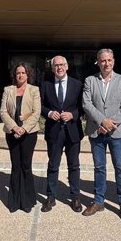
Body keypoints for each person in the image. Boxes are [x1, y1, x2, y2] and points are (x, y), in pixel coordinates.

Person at [82, 48, 121, 223]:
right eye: (103, 60)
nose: (106, 63)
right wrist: (102, 121)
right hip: (96, 131)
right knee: (99, 168)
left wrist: (110, 124)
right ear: (98, 62)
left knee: (120, 168)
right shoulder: (90, 80)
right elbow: (87, 104)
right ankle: (98, 201)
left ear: (113, 61)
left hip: (117, 133)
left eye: (109, 60)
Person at [40, 55, 84, 213]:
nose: (59, 67)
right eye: (56, 65)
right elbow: (41, 106)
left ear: (67, 66)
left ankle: (75, 197)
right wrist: (50, 112)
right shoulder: (46, 85)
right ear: (52, 68)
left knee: (74, 166)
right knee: (53, 165)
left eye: (61, 65)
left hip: (72, 131)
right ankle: (50, 196)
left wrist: (73, 114)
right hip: (54, 131)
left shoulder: (77, 84)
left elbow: (83, 107)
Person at [0, 62, 41, 213]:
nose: (21, 75)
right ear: (14, 75)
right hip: (12, 133)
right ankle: (14, 201)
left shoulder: (34, 90)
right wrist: (14, 127)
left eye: (23, 73)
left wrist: (23, 128)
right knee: (15, 166)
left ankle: (27, 200)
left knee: (26, 166)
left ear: (28, 74)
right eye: (18, 73)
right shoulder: (8, 90)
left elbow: (36, 113)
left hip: (28, 134)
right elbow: (3, 112)